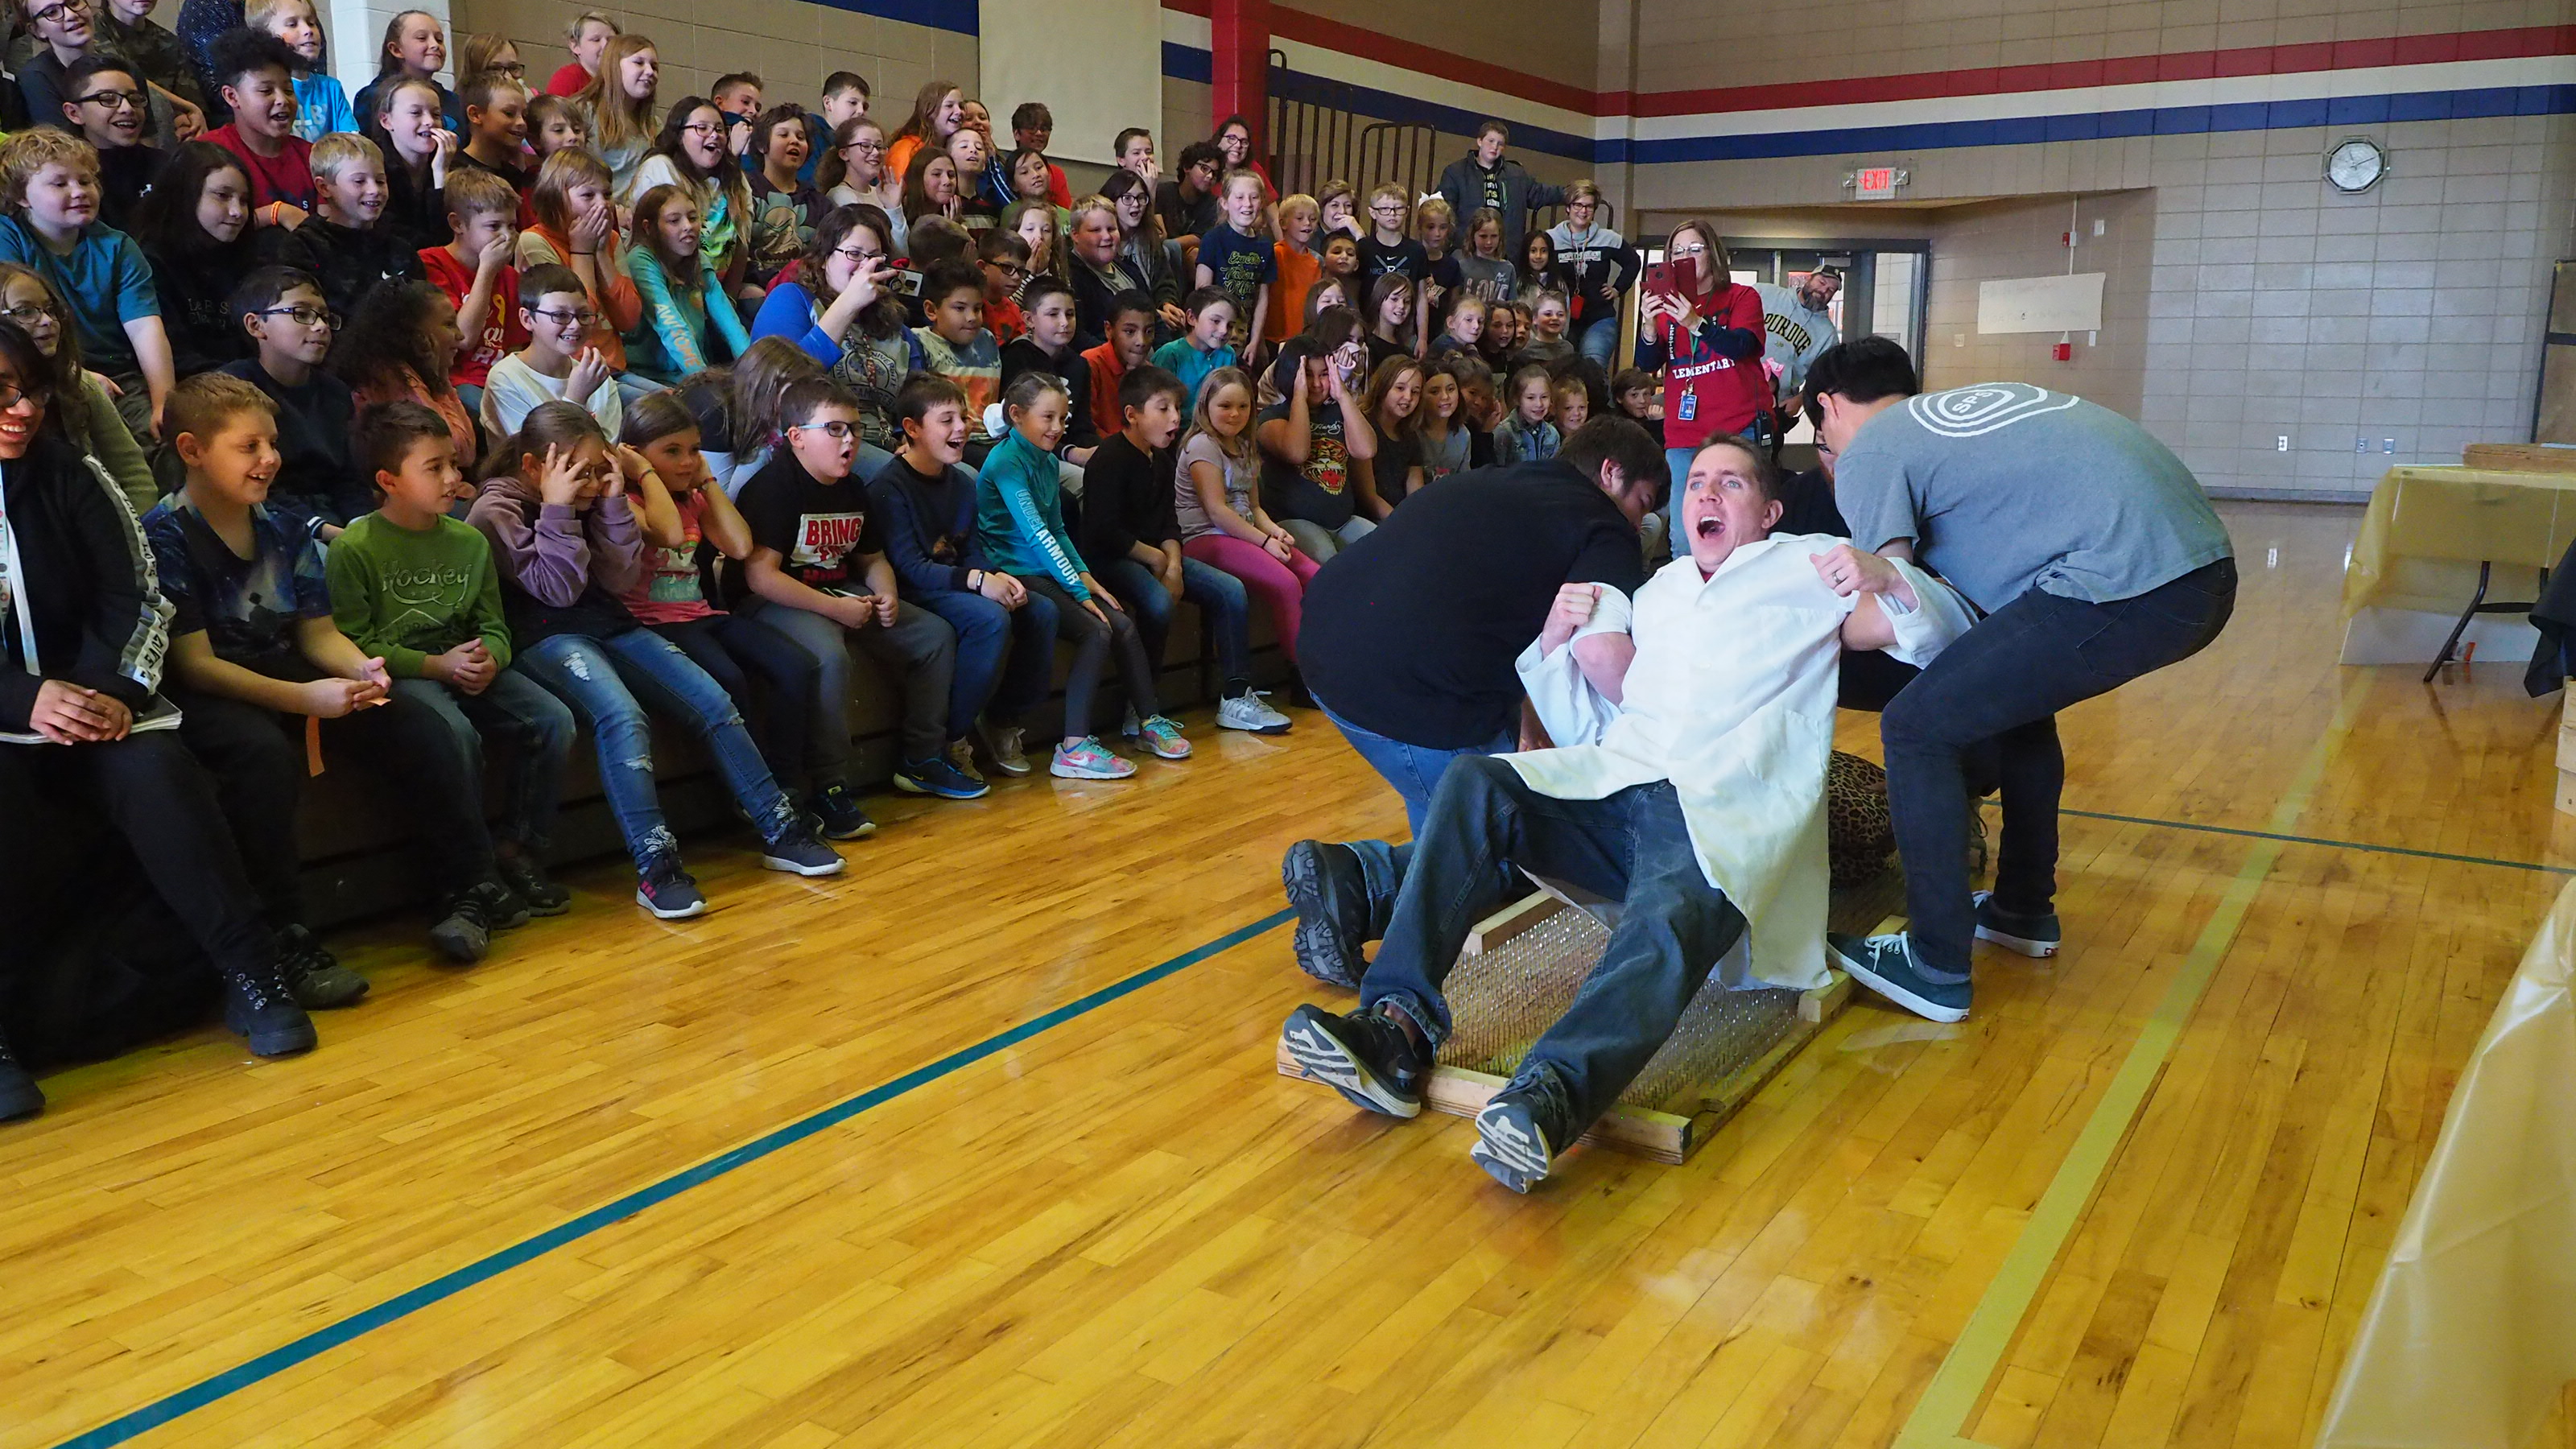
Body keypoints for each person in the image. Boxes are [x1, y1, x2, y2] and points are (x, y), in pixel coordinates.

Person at [1277, 433, 1974, 1191]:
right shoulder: (1660, 591)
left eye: (1731, 484)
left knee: (1672, 907)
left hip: (1721, 808)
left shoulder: (1806, 570)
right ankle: (1395, 1031)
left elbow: (1944, 636)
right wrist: (1551, 647)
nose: (1705, 494)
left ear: (1770, 510)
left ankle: (1552, 1096)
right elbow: (1596, 728)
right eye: (1697, 481)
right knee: (1479, 782)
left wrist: (1892, 577)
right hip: (1622, 781)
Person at [1809, 341, 2239, 1022]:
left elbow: (1896, 601)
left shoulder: (1869, 451)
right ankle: (2021, 909)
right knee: (2014, 709)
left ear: (1827, 409)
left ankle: (1935, 963)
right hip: (2200, 567)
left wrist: (1792, 636)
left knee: (1917, 726)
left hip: (2129, 578)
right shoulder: (1947, 420)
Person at [0, 319, 317, 1077]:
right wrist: (26, 699)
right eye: (1, 393)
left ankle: (252, 971)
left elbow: (135, 595)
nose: (21, 409)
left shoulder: (72, 473)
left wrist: (107, 691)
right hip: (9, 718)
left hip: (100, 706)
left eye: (32, 391)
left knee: (158, 773)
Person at [1277, 418, 1664, 986]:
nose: (1639, 520)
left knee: (1489, 819)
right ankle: (1357, 878)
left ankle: (1364, 882)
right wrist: (1675, 716)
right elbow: (1601, 650)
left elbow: (1524, 620)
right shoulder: (1601, 523)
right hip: (1407, 684)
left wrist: (1527, 719)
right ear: (1610, 474)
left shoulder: (1495, 482)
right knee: (1510, 844)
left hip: (1325, 650)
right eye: (1643, 502)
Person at [472, 400, 844, 919]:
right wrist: (558, 510)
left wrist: (608, 505)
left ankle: (781, 828)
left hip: (609, 621)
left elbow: (621, 580)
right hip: (543, 635)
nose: (591, 483)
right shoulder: (497, 510)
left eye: (601, 470)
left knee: (713, 700)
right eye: (580, 473)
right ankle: (656, 867)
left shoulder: (593, 498)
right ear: (536, 468)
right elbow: (555, 592)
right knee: (622, 717)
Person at [138, 373, 422, 986]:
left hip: (281, 664)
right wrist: (305, 699)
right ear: (191, 450)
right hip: (210, 689)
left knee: (410, 710)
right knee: (261, 754)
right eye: (249, 447)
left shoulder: (284, 525)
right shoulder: (163, 535)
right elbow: (197, 665)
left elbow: (318, 635)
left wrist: (361, 669)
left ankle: (465, 883)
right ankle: (284, 935)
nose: (270, 459)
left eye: (272, 444)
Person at [328, 399, 576, 921]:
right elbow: (356, 643)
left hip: (466, 665)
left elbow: (494, 624)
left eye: (453, 464)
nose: (452, 477)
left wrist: (492, 657)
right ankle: (472, 875)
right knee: (453, 734)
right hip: (406, 674)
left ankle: (520, 850)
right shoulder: (354, 547)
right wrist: (435, 666)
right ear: (388, 480)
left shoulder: (468, 539)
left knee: (553, 719)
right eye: (433, 467)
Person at [614, 390, 861, 838]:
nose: (687, 462)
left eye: (692, 450)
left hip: (701, 612)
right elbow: (668, 534)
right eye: (671, 452)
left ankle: (786, 785)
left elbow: (740, 546)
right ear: (634, 456)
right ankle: (749, 796)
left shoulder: (693, 494)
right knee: (730, 678)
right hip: (652, 622)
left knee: (796, 665)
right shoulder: (623, 501)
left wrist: (706, 482)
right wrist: (645, 475)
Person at [736, 376, 985, 803]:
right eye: (834, 429)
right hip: (774, 601)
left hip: (838, 591)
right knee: (829, 655)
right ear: (796, 437)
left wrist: (885, 593)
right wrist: (836, 610)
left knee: (933, 635)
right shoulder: (773, 487)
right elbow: (761, 577)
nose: (848, 439)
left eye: (853, 428)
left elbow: (872, 558)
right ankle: (830, 784)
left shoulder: (852, 487)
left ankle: (922, 759)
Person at [976, 368, 1190, 777]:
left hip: (1047, 565)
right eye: (1047, 418)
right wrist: (1080, 591)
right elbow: (1037, 534)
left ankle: (1149, 723)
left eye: (1062, 418)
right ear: (1017, 416)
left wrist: (1087, 579)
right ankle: (1073, 747)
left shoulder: (1042, 458)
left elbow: (1057, 527)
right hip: (1018, 570)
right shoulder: (1006, 463)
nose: (1057, 428)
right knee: (1098, 629)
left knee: (1122, 623)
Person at [1081, 362, 1287, 735]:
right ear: (1132, 415)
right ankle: (1141, 710)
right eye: (1163, 409)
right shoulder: (1108, 458)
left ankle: (1237, 696)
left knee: (1230, 591)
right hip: (1114, 559)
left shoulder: (1160, 457)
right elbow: (1102, 531)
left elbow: (1168, 522)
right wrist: (1156, 558)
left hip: (1160, 556)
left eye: (1177, 408)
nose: (1175, 418)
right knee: (1158, 603)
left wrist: (1174, 564)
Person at [0, 128, 174, 440]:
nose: (80, 191)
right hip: (38, 370)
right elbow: (11, 326)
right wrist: (77, 377)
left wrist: (164, 402)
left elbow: (145, 326)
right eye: (59, 183)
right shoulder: (8, 237)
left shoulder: (118, 246)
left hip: (117, 373)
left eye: (86, 181)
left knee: (157, 440)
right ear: (21, 196)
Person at [1178, 365, 1317, 671]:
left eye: (1243, 407)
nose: (1234, 414)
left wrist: (1275, 533)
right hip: (1207, 537)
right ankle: (1305, 675)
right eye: (1225, 406)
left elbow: (1254, 507)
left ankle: (1328, 659)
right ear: (1206, 407)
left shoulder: (1243, 444)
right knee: (1286, 584)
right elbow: (1217, 510)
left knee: (1314, 574)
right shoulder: (1202, 445)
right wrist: (1264, 541)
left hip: (1244, 533)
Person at [217, 265, 369, 535]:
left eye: (324, 316)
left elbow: (349, 478)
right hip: (268, 522)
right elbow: (253, 486)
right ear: (256, 325)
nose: (321, 326)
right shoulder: (235, 388)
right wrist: (327, 533)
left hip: (331, 519)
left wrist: (361, 527)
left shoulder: (336, 392)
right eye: (302, 314)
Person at [751, 201, 905, 466]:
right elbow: (782, 386)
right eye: (854, 254)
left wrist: (910, 438)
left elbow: (910, 395)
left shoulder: (890, 322)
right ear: (823, 260)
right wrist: (849, 303)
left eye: (875, 258)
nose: (865, 267)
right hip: (815, 442)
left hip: (885, 444)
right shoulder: (790, 299)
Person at [0, 261, 151, 509]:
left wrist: (139, 532)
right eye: (26, 311)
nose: (47, 320)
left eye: (50, 309)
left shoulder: (79, 383)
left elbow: (131, 470)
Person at [1635, 217, 1766, 487]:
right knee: (1684, 528)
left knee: (1739, 520)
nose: (1687, 257)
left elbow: (1743, 347)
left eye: (1695, 249)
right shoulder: (1666, 304)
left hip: (1737, 428)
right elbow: (1647, 362)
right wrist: (1648, 325)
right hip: (1684, 433)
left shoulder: (1741, 296)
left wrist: (1696, 323)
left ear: (1712, 254)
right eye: (1678, 251)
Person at [126, 140, 273, 379]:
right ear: (186, 196)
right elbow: (175, 356)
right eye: (223, 196)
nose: (237, 211)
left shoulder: (252, 259)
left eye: (244, 200)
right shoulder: (150, 263)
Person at [514, 147, 639, 392]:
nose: (602, 204)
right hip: (570, 373)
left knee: (673, 401)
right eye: (588, 195)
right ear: (556, 198)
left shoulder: (609, 240)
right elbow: (579, 318)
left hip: (612, 367)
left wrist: (601, 253)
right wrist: (582, 252)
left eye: (607, 194)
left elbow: (629, 319)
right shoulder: (534, 242)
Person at [1257, 331, 1378, 564]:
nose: (1316, 384)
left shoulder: (1339, 412)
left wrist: (1342, 395)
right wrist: (1299, 397)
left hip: (1344, 521)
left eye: (1324, 374)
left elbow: (1366, 450)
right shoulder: (1271, 417)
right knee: (1328, 561)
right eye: (1307, 375)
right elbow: (1297, 452)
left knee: (1383, 551)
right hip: (1294, 522)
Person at [331, 276, 475, 466]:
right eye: (449, 324)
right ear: (415, 334)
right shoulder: (387, 377)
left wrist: (440, 377)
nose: (460, 335)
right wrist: (440, 377)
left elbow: (467, 454)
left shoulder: (413, 370)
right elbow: (459, 451)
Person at [417, 167, 524, 419]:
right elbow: (461, 338)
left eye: (512, 225)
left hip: (501, 378)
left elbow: (516, 347)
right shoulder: (432, 264)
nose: (507, 236)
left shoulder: (509, 277)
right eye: (494, 226)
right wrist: (486, 271)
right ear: (458, 224)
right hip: (459, 382)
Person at [624, 182, 750, 385]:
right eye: (674, 221)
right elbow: (672, 327)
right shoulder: (641, 259)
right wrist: (703, 382)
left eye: (693, 218)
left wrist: (757, 370)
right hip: (651, 377)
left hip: (691, 373)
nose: (688, 226)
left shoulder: (697, 258)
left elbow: (729, 322)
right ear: (649, 227)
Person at [481, 262, 621, 438]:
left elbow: (609, 450)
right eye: (560, 315)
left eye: (583, 315)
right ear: (527, 319)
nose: (575, 325)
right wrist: (575, 399)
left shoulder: (598, 378)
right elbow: (542, 455)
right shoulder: (505, 379)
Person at [297, 132, 425, 323]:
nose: (374, 190)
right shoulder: (305, 247)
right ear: (324, 188)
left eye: (381, 181)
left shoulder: (401, 250)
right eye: (359, 181)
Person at [633, 95, 750, 292]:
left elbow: (741, 247)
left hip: (715, 290)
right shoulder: (660, 167)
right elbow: (653, 245)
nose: (714, 135)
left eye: (720, 129)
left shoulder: (735, 179)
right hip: (668, 288)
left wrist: (730, 299)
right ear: (679, 135)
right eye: (702, 128)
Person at [906, 257, 1002, 462]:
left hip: (995, 441)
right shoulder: (919, 342)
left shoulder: (987, 340)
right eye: (960, 308)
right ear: (931, 310)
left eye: (977, 309)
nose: (971, 317)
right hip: (955, 444)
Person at [994, 273, 1096, 468]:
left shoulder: (1079, 364)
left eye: (1070, 314)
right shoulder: (1016, 358)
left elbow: (1082, 428)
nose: (1065, 322)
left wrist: (1098, 452)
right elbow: (1020, 430)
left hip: (1067, 453)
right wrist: (1070, 453)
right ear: (1029, 319)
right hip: (1028, 457)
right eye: (1053, 314)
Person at [52, 55, 163, 230]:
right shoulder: (64, 177)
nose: (127, 109)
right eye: (108, 99)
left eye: (134, 98)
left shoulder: (167, 164)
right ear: (74, 113)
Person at [1435, 119, 1564, 262]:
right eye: (1490, 141)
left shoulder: (1517, 175)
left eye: (1500, 144)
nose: (1495, 147)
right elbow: (1445, 213)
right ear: (1479, 141)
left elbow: (1539, 193)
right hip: (1467, 255)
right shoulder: (1456, 173)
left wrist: (1572, 194)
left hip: (1507, 256)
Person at [1548, 183, 1633, 371]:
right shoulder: (1551, 239)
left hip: (1599, 317)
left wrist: (1618, 289)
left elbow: (1633, 262)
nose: (1583, 211)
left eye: (1589, 206)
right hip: (1563, 319)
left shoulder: (1609, 238)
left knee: (1593, 367)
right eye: (1578, 205)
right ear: (1568, 208)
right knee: (1563, 369)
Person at [1756, 266, 1840, 451]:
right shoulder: (1765, 293)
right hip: (1736, 391)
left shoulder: (1827, 335)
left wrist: (1800, 399)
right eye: (1822, 282)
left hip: (1776, 404)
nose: (1823, 291)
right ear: (1810, 278)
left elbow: (1826, 377)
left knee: (1765, 463)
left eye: (1831, 290)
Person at [1194, 169, 1271, 360]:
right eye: (1240, 197)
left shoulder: (1265, 245)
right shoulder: (1213, 239)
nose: (1248, 204)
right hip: (1216, 334)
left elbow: (1263, 296)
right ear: (1225, 203)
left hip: (1245, 335)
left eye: (1254, 197)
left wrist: (1255, 340)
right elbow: (1202, 291)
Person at [248, 0, 353, 141]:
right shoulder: (263, 91)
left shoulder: (331, 87)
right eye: (292, 24)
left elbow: (351, 142)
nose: (308, 31)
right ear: (263, 35)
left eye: (311, 23)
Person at [742, 103, 821, 291]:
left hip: (801, 290)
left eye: (800, 137)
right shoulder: (745, 189)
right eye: (783, 135)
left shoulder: (820, 204)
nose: (794, 141)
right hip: (751, 288)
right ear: (762, 146)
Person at [365, 73, 449, 247]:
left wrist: (441, 174)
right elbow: (397, 239)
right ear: (386, 121)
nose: (429, 122)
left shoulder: (448, 163)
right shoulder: (373, 171)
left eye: (436, 114)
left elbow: (452, 234)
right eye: (415, 113)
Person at [572, 33, 657, 200]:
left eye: (655, 67)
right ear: (613, 66)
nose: (650, 72)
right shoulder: (583, 112)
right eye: (639, 63)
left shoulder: (654, 125)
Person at [350, 9, 458, 133]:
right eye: (422, 38)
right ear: (396, 49)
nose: (435, 45)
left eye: (439, 39)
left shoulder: (453, 101)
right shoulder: (373, 97)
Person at [1081, 287, 1154, 441]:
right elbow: (1086, 428)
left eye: (1148, 331)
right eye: (1129, 332)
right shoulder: (1091, 363)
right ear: (1109, 330)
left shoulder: (1149, 372)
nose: (1141, 342)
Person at [450, 71, 535, 199]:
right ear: (475, 115)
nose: (521, 122)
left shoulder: (514, 176)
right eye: (509, 113)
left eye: (524, 115)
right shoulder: (454, 171)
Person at [1356, 355, 1424, 511]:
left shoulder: (1410, 436)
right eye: (1400, 388)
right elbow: (1368, 497)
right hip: (1371, 517)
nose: (1408, 397)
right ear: (1383, 387)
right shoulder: (1363, 425)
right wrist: (1401, 526)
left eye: (1415, 392)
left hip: (1400, 516)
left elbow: (1416, 495)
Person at [1149, 285, 1236, 404]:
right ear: (1192, 318)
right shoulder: (1170, 354)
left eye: (1230, 325)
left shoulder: (1228, 354)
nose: (1224, 330)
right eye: (1216, 321)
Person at [881, 80, 961, 200]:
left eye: (961, 106)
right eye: (949, 106)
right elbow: (900, 198)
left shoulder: (952, 148)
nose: (959, 111)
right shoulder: (906, 149)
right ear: (929, 110)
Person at [1265, 192, 1319, 355]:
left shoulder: (1317, 262)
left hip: (1305, 341)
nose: (1307, 224)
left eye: (1312, 219)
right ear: (1283, 223)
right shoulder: (1274, 255)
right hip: (1273, 339)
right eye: (1299, 218)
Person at [1153, 139, 1220, 264]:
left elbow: (1200, 238)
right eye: (1205, 168)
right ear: (1187, 167)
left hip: (1188, 259)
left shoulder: (1213, 204)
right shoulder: (1163, 192)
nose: (1210, 176)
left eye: (1214, 173)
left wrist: (1168, 245)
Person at [800, 72, 869, 189]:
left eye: (865, 106)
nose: (861, 111)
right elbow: (811, 184)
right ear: (828, 103)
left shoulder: (864, 143)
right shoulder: (810, 134)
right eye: (853, 103)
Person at [1413, 356, 1470, 486]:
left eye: (1451, 389)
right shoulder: (1413, 433)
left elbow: (1464, 482)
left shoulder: (1462, 435)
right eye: (1434, 392)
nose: (1445, 397)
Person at [1491, 362, 1560, 465]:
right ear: (1518, 399)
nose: (1539, 404)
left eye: (1544, 397)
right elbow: (1497, 471)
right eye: (1531, 398)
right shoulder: (1504, 432)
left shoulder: (1552, 435)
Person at [545, 9, 616, 97]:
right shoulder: (567, 78)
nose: (606, 45)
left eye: (611, 40)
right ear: (575, 46)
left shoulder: (619, 79)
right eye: (596, 40)